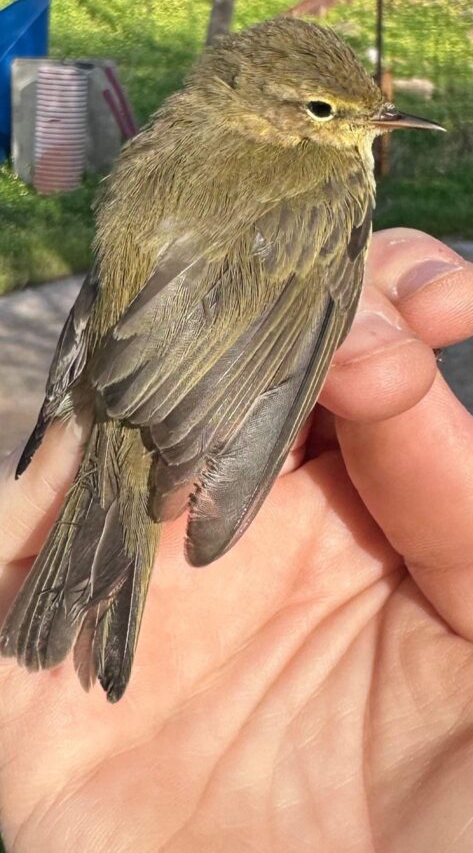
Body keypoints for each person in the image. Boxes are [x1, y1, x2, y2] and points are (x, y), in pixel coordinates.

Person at [1, 226, 473, 853]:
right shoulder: (323, 177)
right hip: (185, 387)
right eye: (325, 115)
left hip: (138, 371)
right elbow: (289, 337)